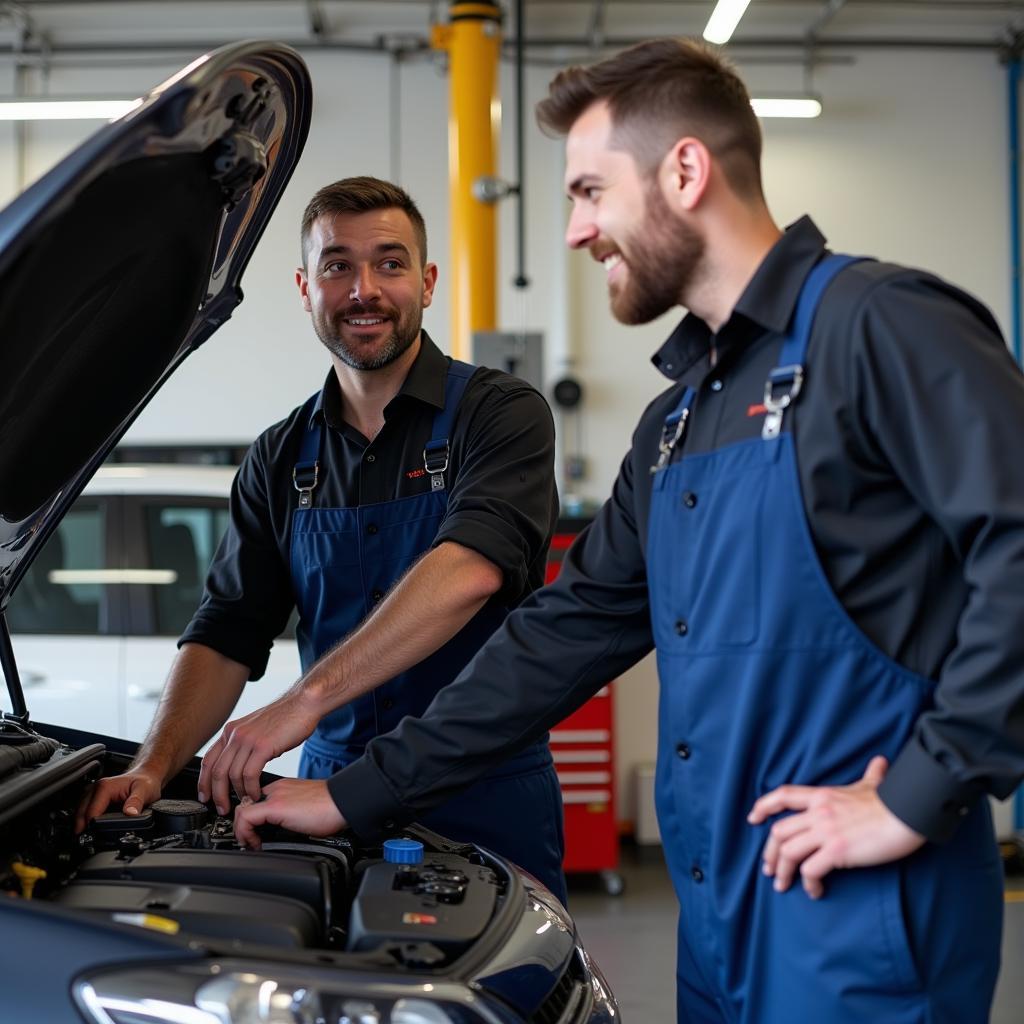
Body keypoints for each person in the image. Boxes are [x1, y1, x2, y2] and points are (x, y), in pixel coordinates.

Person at [234, 42, 1024, 1022]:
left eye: (589, 191)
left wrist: (920, 788)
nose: (573, 231)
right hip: (719, 919)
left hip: (858, 916)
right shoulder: (677, 420)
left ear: (683, 172)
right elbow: (556, 638)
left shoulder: (879, 328)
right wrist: (356, 791)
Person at [77, 176, 567, 904]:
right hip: (329, 795)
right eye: (337, 266)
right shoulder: (278, 458)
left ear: (427, 283)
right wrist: (155, 765)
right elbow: (226, 630)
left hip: (484, 785)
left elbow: (470, 569)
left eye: (390, 263)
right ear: (306, 288)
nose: (364, 289)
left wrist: (302, 701)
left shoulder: (498, 416)